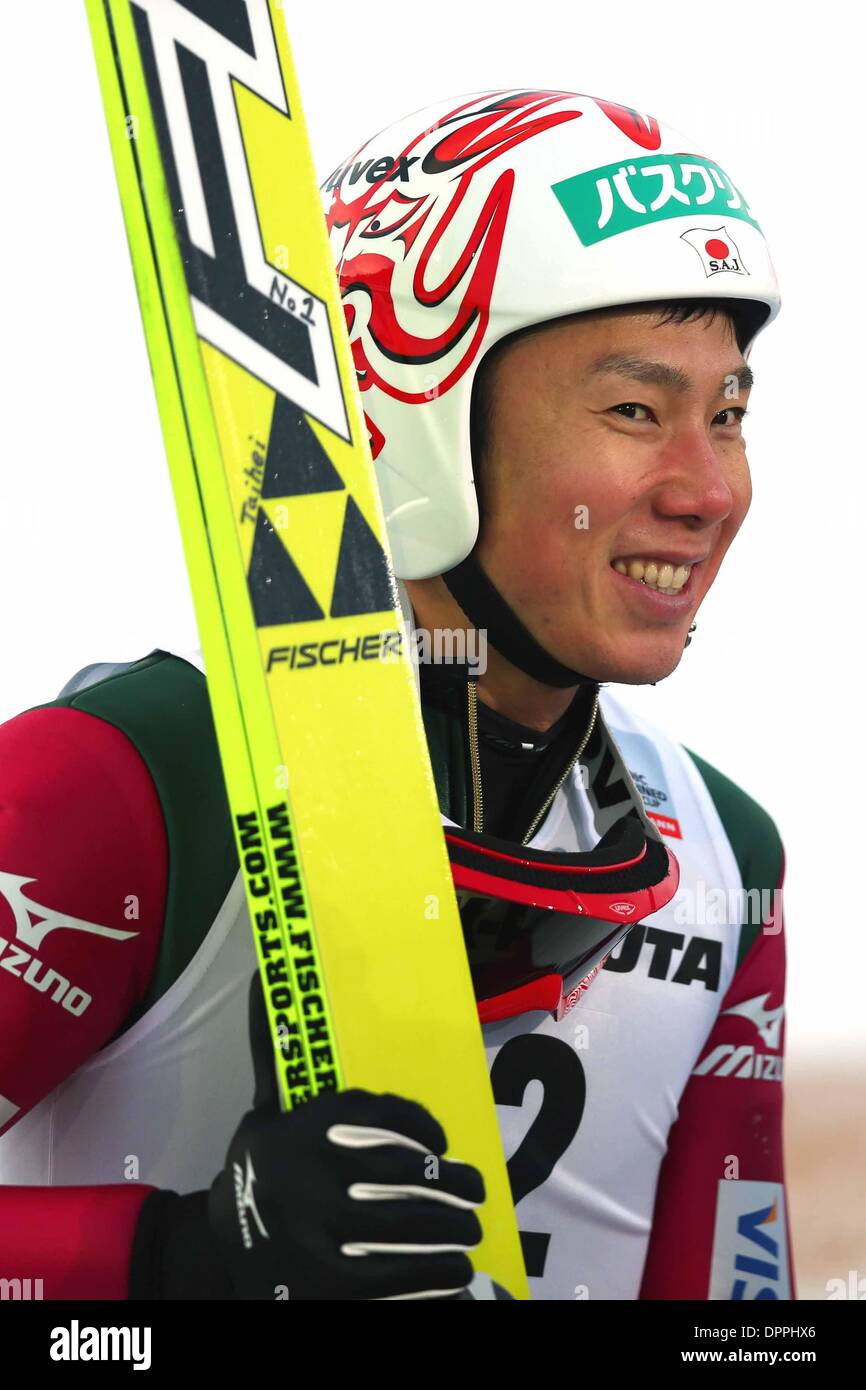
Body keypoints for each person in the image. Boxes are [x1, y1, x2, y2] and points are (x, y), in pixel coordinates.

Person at [0, 89, 793, 1300]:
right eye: (635, 410)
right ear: (420, 420)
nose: (706, 491)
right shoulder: (118, 786)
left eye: (726, 415)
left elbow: (734, 1318)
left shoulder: (723, 856)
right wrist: (172, 1258)